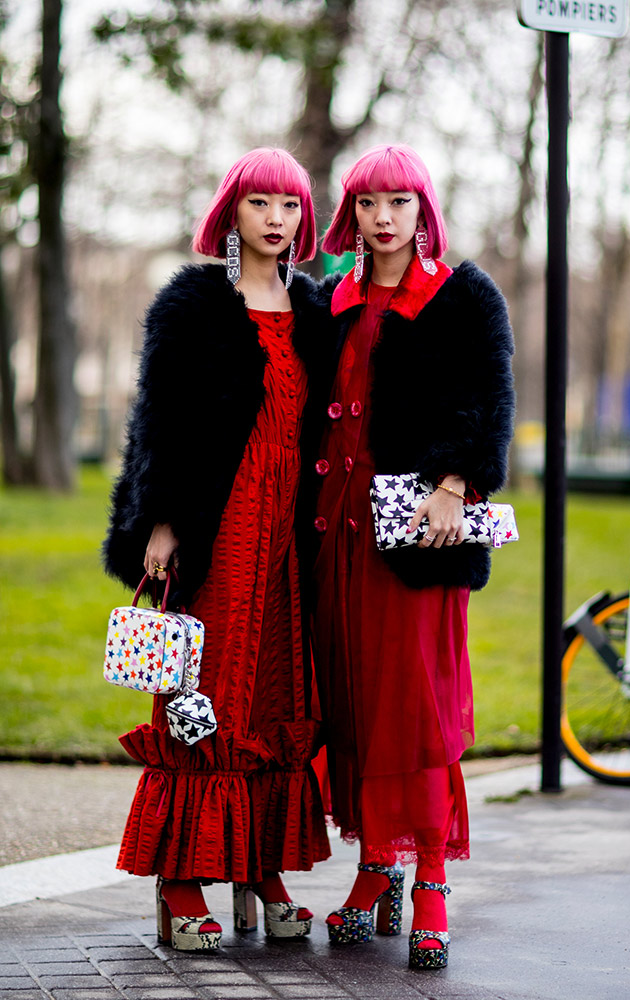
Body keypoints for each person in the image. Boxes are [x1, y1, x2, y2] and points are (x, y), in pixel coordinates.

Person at [104, 148, 334, 951]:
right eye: (260, 203)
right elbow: (156, 420)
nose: (276, 219)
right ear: (230, 213)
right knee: (206, 688)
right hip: (220, 522)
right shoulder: (194, 303)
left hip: (288, 534)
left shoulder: (311, 306)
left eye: (291, 206)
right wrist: (159, 519)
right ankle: (181, 882)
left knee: (276, 690)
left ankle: (259, 869)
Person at [312, 144, 515, 969]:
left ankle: (428, 877)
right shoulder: (334, 298)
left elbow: (490, 398)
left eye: (398, 200)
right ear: (350, 214)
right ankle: (372, 871)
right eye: (366, 202)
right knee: (357, 704)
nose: (383, 216)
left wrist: (454, 482)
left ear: (421, 209)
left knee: (416, 707)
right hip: (338, 538)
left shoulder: (463, 296)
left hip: (421, 535)